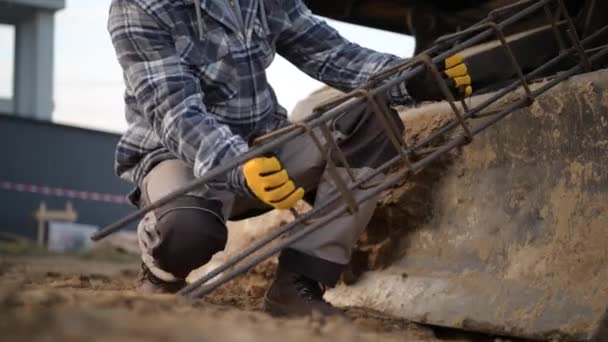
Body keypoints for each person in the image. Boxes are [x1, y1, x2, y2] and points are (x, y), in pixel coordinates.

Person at [108, 0, 472, 317]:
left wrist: (412, 79)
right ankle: (161, 272)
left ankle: (299, 281)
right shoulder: (139, 7)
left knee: (371, 121)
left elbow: (330, 52)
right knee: (186, 235)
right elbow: (175, 113)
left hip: (263, 140)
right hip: (178, 152)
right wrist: (237, 165)